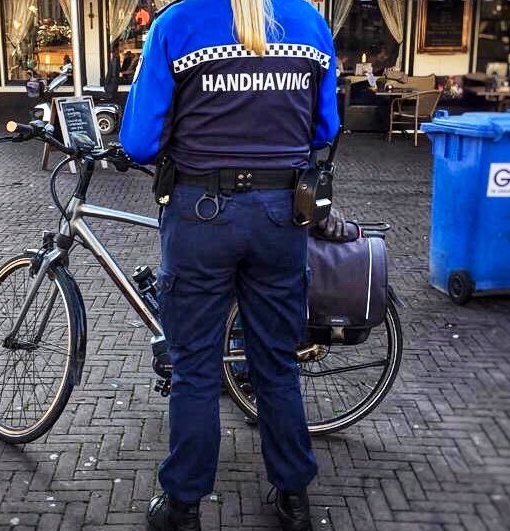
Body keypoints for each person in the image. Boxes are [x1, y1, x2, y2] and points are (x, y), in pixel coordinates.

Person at [120, 0, 340, 529]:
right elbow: (326, 126)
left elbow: (139, 141)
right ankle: (292, 497)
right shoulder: (310, 23)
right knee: (276, 364)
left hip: (201, 215)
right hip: (281, 217)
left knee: (195, 367)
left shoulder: (177, 23)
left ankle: (183, 505)